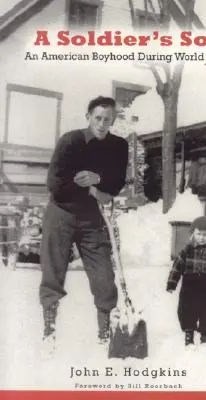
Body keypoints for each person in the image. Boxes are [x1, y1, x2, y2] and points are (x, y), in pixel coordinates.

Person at [39, 96, 128, 345]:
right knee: (53, 271)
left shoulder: (118, 146)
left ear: (112, 121)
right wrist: (92, 190)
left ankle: (105, 330)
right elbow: (55, 184)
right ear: (88, 116)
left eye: (107, 120)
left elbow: (116, 182)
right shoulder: (70, 141)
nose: (101, 124)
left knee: (103, 274)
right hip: (61, 214)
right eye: (97, 118)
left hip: (92, 218)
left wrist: (97, 178)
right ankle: (49, 327)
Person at [166, 216, 206, 346]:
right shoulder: (186, 251)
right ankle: (189, 334)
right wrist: (172, 283)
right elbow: (177, 267)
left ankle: (205, 335)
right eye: (198, 234)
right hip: (189, 287)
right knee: (187, 310)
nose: (201, 237)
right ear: (193, 234)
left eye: (205, 235)